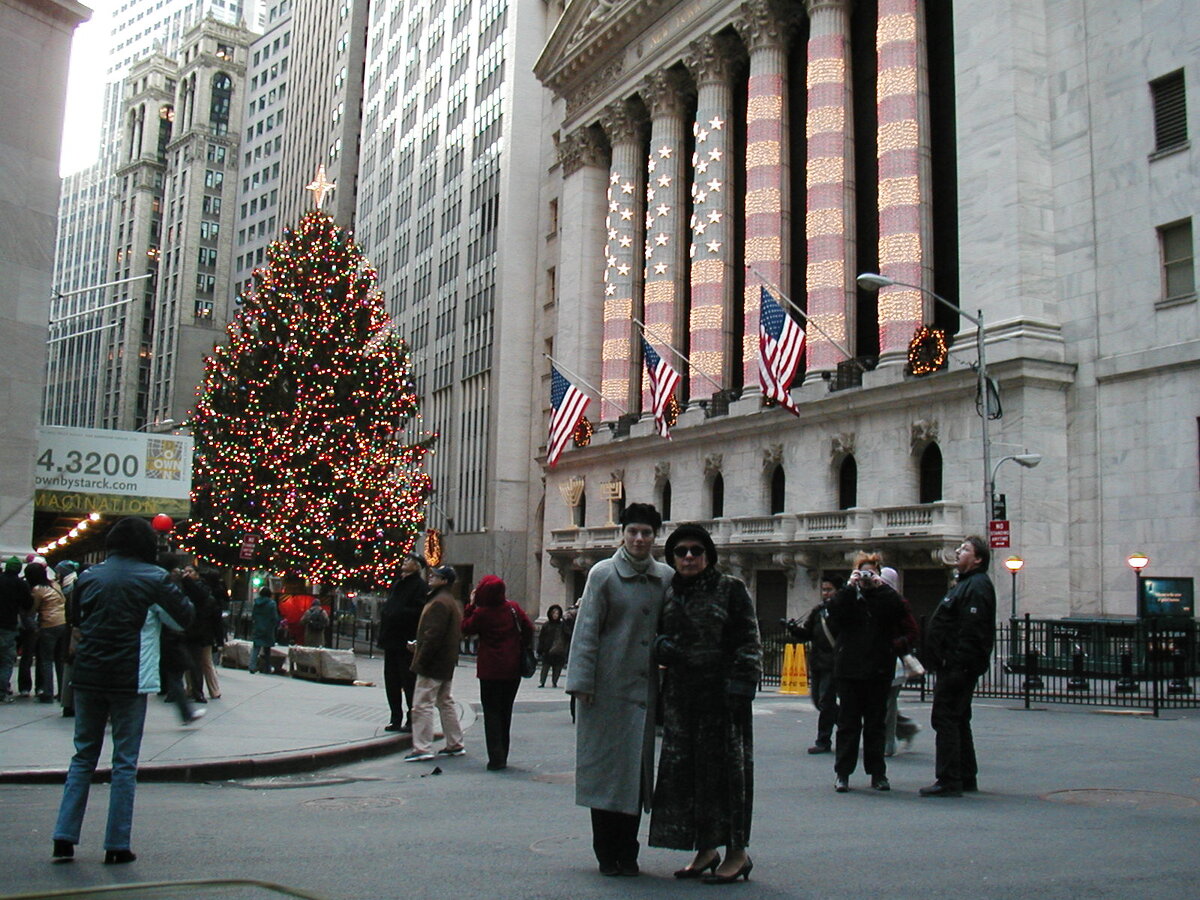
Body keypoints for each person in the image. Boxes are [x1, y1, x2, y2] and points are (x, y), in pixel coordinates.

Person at [51, 516, 196, 864]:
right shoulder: (154, 578)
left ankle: (64, 835)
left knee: (82, 755)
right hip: (129, 677)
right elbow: (184, 618)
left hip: (87, 675)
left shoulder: (88, 577)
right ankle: (116, 843)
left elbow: (78, 618)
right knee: (124, 761)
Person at [649, 523, 762, 884]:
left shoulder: (730, 588)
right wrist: (660, 646)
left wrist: (741, 686)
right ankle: (705, 849)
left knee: (727, 778)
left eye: (696, 550)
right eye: (680, 552)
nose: (688, 557)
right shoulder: (668, 592)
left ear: (708, 555)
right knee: (688, 777)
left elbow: (749, 639)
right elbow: (653, 634)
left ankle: (737, 852)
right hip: (682, 699)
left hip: (723, 699)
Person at [566, 503, 672, 877]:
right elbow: (587, 631)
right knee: (605, 773)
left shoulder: (666, 577)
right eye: (633, 532)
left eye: (646, 533)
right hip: (604, 689)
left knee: (635, 777)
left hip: (643, 695)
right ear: (622, 534)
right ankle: (605, 852)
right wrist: (581, 683)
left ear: (655, 537)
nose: (640, 539)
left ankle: (629, 851)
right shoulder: (603, 574)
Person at [829, 552, 918, 793]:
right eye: (863, 573)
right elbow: (834, 615)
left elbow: (903, 615)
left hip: (878, 668)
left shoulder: (886, 598)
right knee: (847, 724)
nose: (867, 578)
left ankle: (877, 773)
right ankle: (843, 773)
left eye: (872, 573)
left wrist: (883, 588)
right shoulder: (848, 597)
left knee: (876, 725)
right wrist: (849, 586)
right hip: (849, 669)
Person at [920, 536, 997, 797]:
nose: (958, 551)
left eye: (965, 549)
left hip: (958, 667)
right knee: (959, 718)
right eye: (959, 548)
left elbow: (972, 630)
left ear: (977, 559)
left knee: (945, 717)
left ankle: (949, 778)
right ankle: (964, 775)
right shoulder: (965, 585)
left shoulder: (976, 586)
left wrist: (957, 663)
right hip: (954, 665)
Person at [461, 575, 532, 771]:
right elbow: (528, 628)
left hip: (490, 669)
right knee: (505, 711)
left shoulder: (482, 613)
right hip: (512, 669)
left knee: (491, 712)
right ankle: (504, 753)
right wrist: (519, 646)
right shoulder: (513, 608)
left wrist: (471, 605)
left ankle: (496, 756)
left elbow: (465, 627)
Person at [404, 566, 465, 762]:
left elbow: (433, 636)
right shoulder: (448, 601)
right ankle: (455, 743)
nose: (430, 577)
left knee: (422, 704)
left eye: (436, 576)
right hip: (444, 662)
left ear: (445, 581)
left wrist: (421, 657)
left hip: (433, 662)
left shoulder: (439, 602)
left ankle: (422, 747)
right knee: (445, 702)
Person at [785, 578, 838, 754]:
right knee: (818, 701)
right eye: (823, 590)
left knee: (825, 701)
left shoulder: (841, 611)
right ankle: (847, 722)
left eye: (829, 589)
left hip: (833, 664)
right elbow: (807, 634)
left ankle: (823, 740)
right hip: (817, 663)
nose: (825, 593)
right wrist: (793, 629)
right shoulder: (818, 611)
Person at [378, 552, 428, 732]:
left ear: (417, 566)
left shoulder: (420, 586)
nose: (404, 562)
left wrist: (397, 613)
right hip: (391, 640)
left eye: (409, 560)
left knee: (408, 681)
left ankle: (411, 718)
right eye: (405, 559)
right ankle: (395, 717)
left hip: (405, 641)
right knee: (391, 680)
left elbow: (419, 611)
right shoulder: (398, 584)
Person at [879, 567, 921, 756]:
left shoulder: (899, 603)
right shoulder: (872, 600)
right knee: (880, 703)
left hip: (893, 660)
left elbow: (912, 632)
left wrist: (895, 644)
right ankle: (906, 728)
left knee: (888, 703)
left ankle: (887, 744)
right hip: (873, 659)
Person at [26, 563, 68, 704]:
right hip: (62, 622)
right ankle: (62, 692)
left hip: (48, 624)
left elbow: (33, 609)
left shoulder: (38, 589)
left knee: (46, 659)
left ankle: (47, 692)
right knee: (60, 659)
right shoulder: (55, 585)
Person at [0, 556, 33, 701]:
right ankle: (2, 691)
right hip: (9, 624)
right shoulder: (21, 584)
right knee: (6, 660)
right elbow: (28, 604)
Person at [536, 604, 568, 688]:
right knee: (545, 666)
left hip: (559, 650)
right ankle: (542, 681)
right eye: (554, 613)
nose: (555, 615)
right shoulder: (546, 625)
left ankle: (555, 681)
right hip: (548, 649)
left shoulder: (562, 625)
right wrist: (540, 649)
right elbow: (541, 638)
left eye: (557, 613)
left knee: (557, 667)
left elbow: (568, 635)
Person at [249, 586, 279, 674]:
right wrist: (275, 624)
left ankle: (252, 665)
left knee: (256, 647)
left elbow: (253, 615)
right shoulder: (272, 604)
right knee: (267, 649)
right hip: (268, 628)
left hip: (258, 627)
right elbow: (274, 617)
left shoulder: (256, 603)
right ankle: (267, 667)